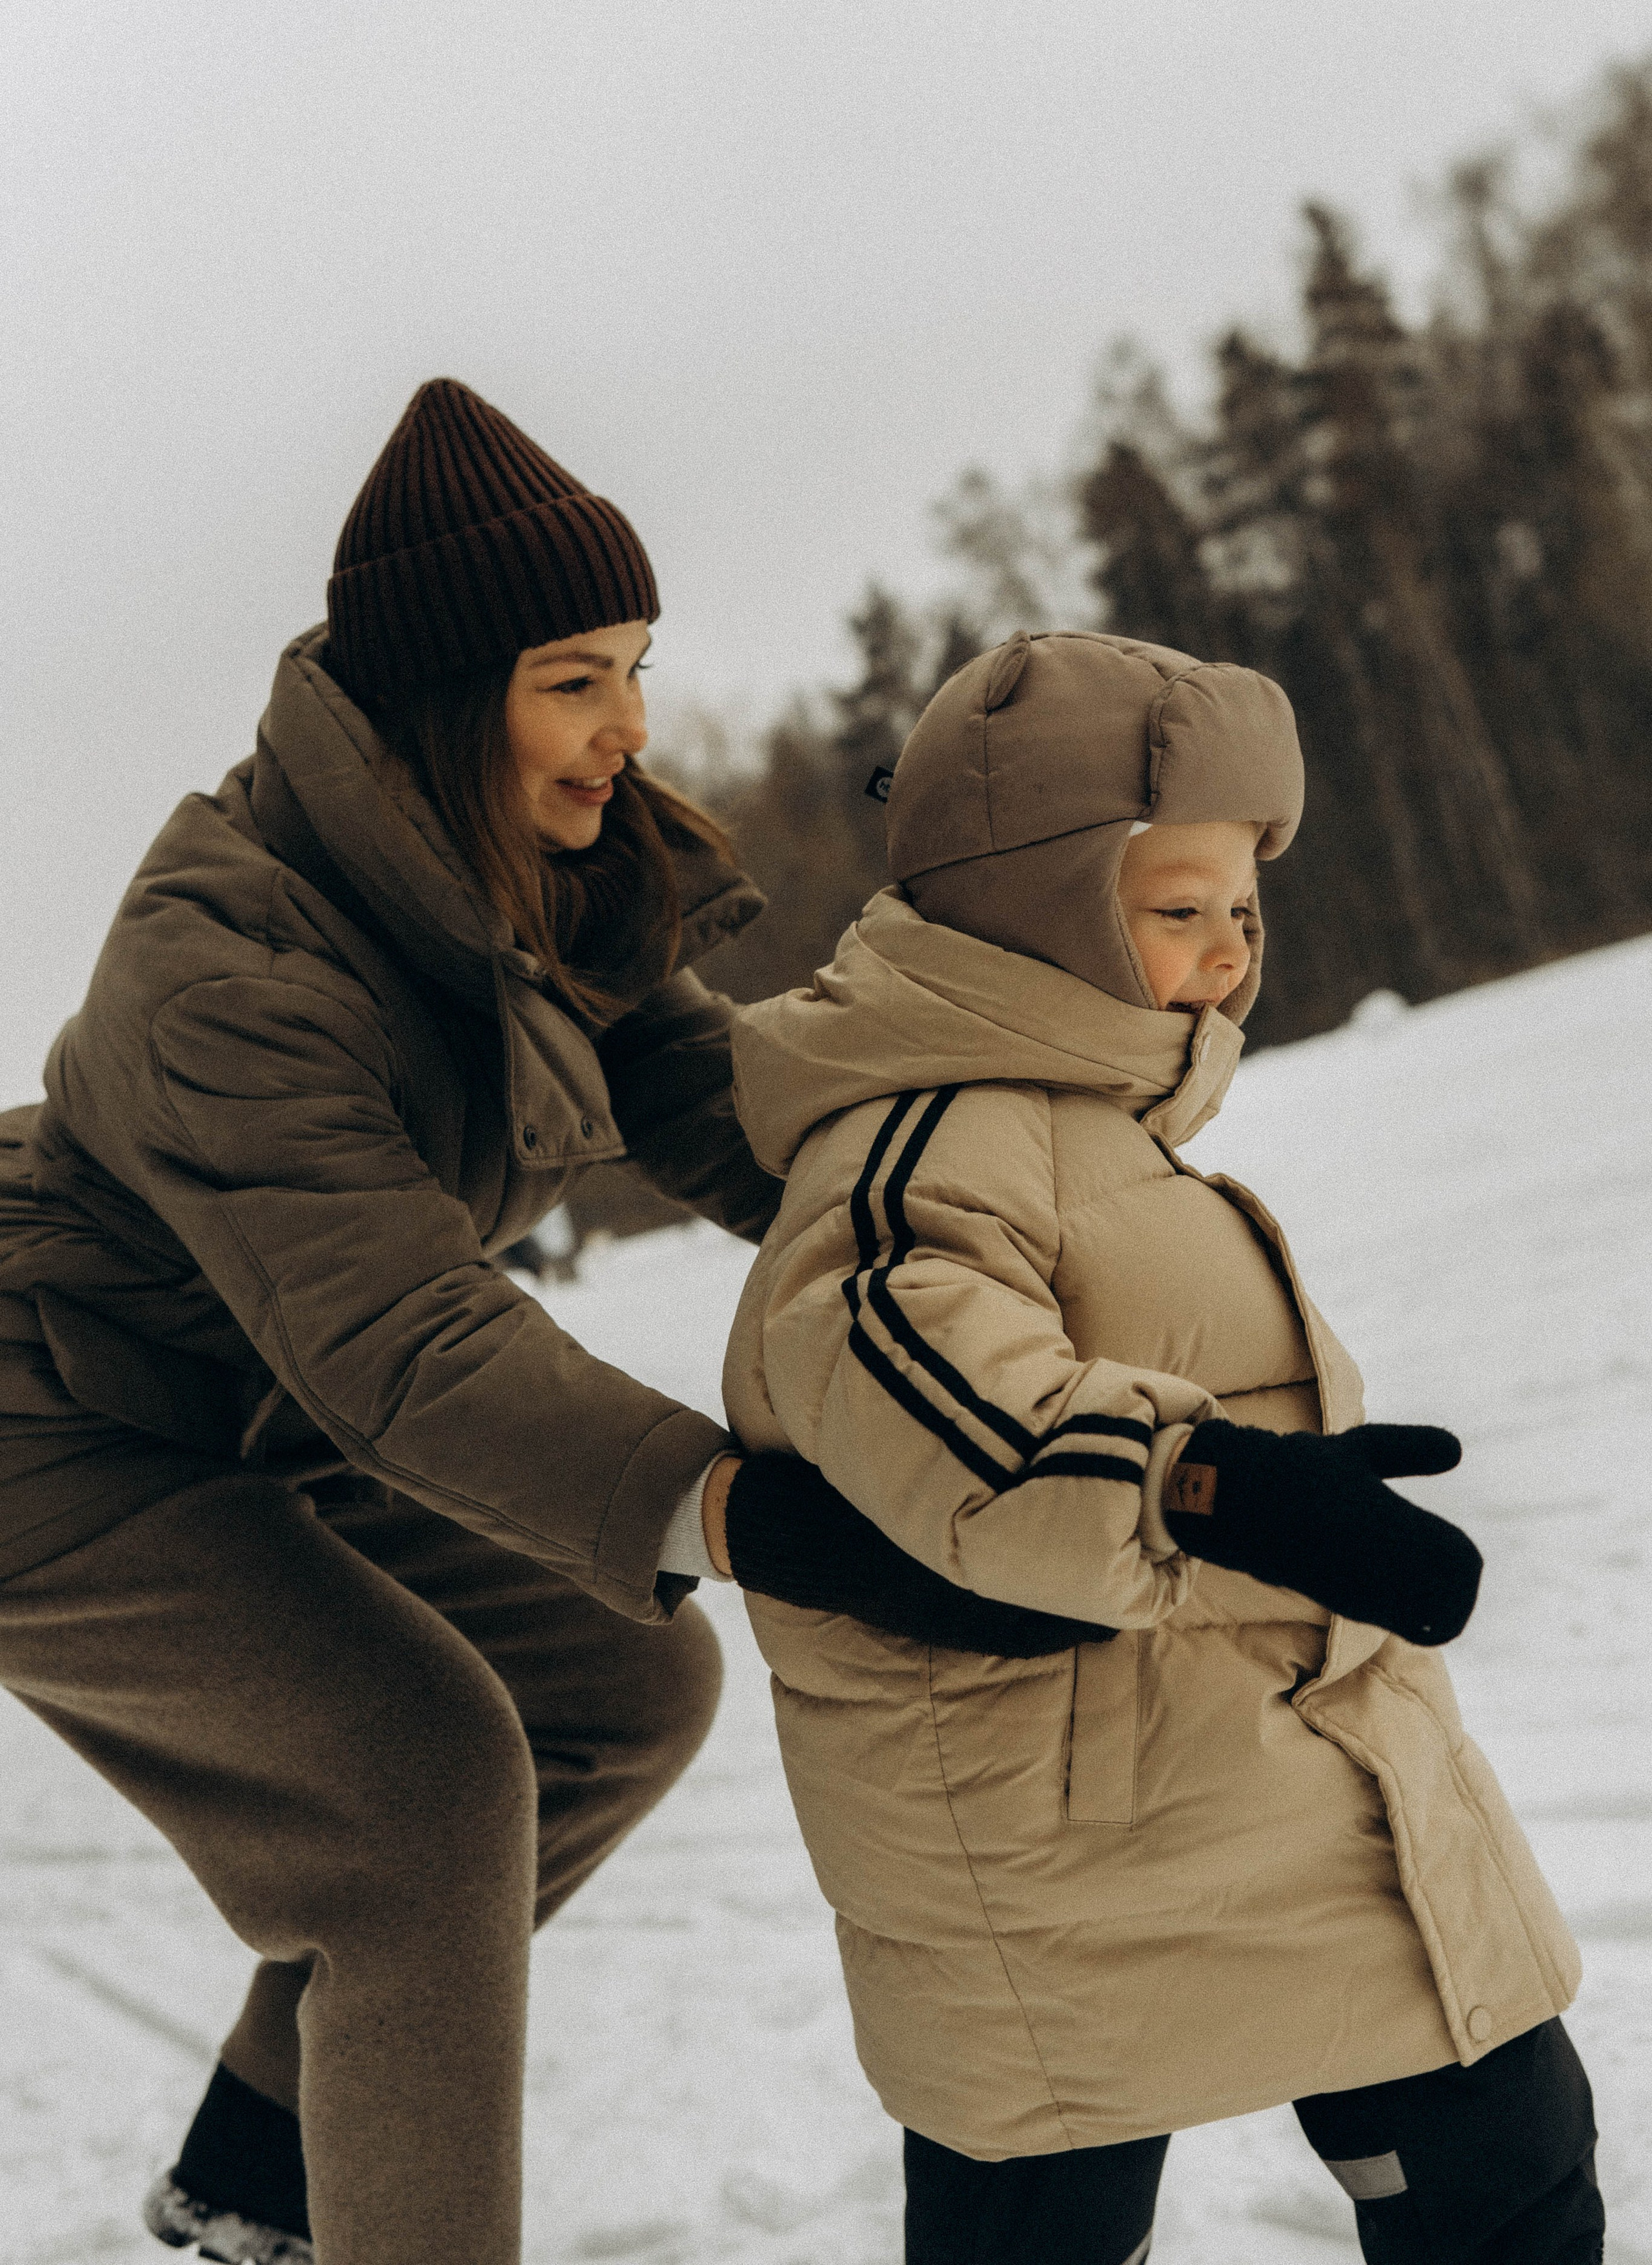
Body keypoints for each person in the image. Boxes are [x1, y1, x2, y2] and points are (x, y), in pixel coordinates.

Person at [0, 378, 1039, 2265]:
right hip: (47, 1416)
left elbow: (725, 1111)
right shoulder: (228, 965)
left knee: (620, 1687)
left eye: (636, 667)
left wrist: (1011, 1234)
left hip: (248, 1390)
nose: (628, 726)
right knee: (416, 1798)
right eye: (575, 679)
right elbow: (412, 1346)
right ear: (444, 695)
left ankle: (258, 2174)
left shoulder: (522, 882)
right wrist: (755, 1516)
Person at [718, 630, 1604, 2265]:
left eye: (1243, 911)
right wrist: (1210, 1483)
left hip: (1280, 1781)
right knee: (1044, 2218)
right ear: (1031, 909)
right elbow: (940, 1396)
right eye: (1178, 907)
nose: (1226, 952)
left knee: (1506, 2158)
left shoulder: (1077, 1128)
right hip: (1058, 1848)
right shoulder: (912, 1149)